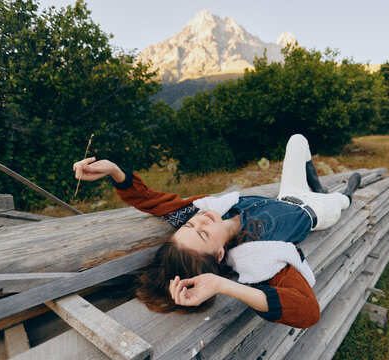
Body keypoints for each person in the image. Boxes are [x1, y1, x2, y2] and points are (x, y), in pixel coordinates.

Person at [72, 134, 361, 328]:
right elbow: (308, 312)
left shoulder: (207, 210)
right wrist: (222, 285)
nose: (201, 220)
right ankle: (343, 193)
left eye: (189, 225)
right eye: (202, 234)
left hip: (288, 195)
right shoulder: (258, 256)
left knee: (297, 140)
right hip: (316, 212)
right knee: (341, 201)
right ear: (220, 252)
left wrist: (113, 171)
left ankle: (317, 182)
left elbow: (148, 199)